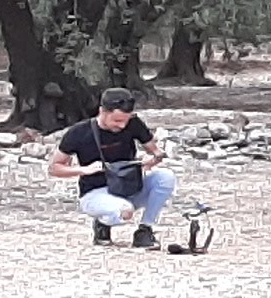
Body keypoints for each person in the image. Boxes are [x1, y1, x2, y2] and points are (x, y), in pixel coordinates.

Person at [48, 88, 176, 248]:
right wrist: (84, 170)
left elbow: (156, 152)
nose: (122, 126)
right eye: (116, 121)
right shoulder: (79, 132)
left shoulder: (134, 124)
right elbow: (54, 168)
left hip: (128, 186)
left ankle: (145, 229)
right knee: (124, 211)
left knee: (165, 177)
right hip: (95, 193)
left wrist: (153, 159)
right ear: (102, 111)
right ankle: (103, 222)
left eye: (125, 120)